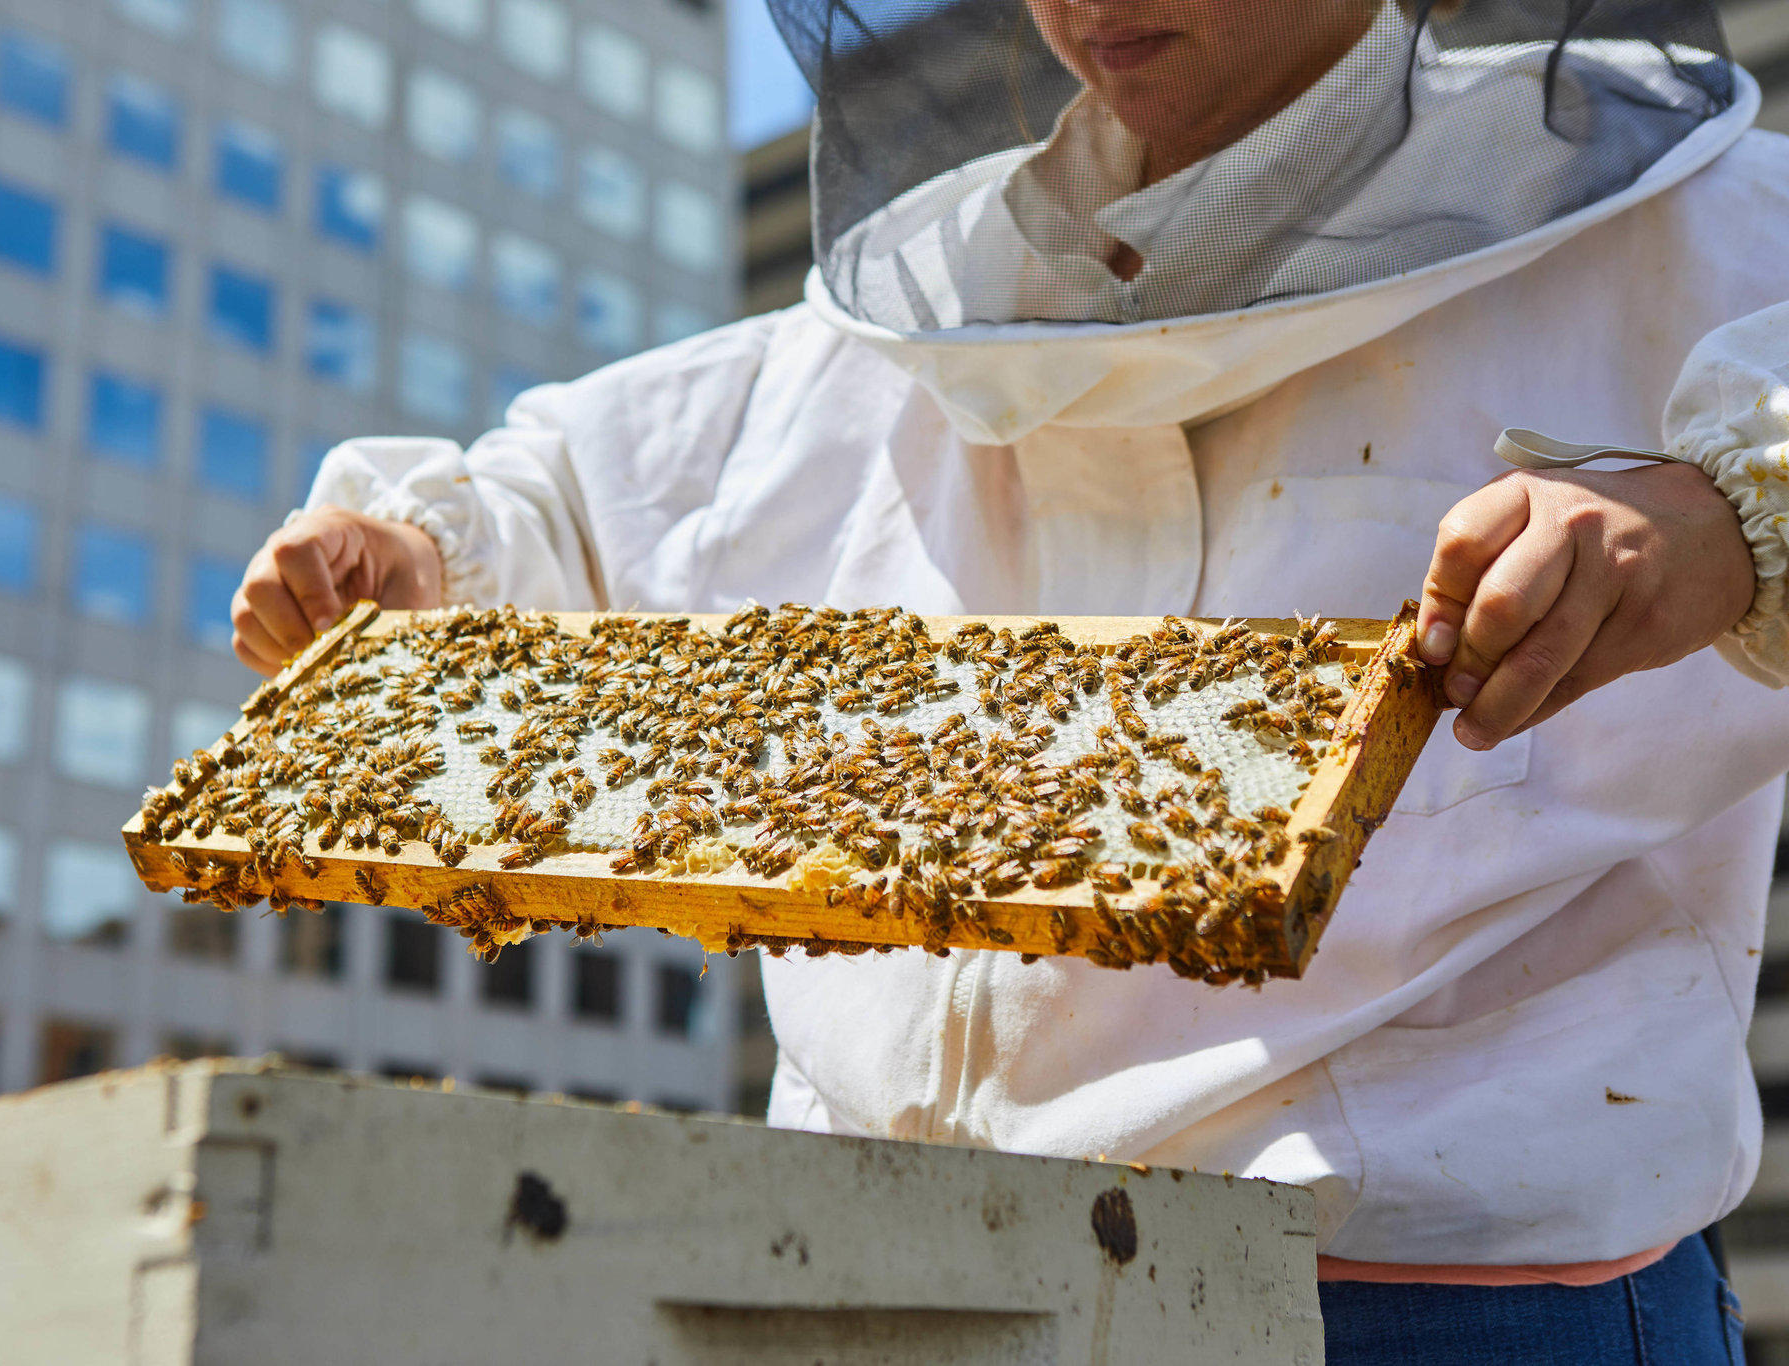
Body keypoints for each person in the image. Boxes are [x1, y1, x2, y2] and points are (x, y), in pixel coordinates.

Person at [232, 1, 1789, 1357]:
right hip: (881, 1272)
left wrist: (1733, 513)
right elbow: (584, 489)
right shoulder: (917, 311)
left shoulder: (1689, 221)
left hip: (1435, 1303)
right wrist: (416, 562)